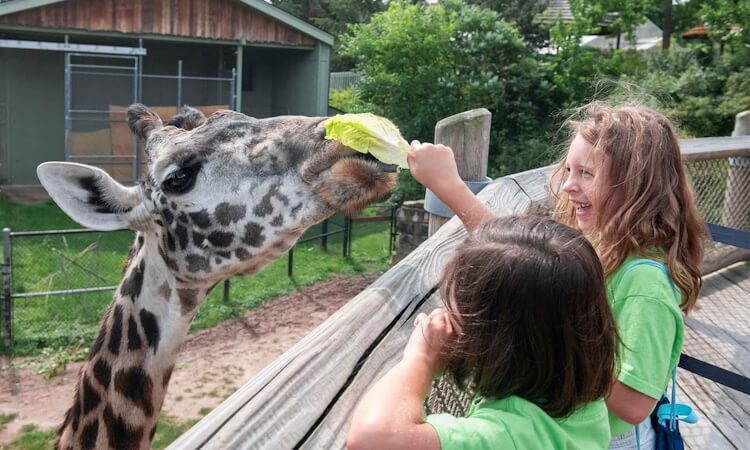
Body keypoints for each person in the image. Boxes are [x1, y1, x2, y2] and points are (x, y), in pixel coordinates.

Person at [402, 102, 705, 449]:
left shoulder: (643, 286)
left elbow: (634, 404)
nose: (568, 187)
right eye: (569, 170)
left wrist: (557, 348)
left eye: (586, 174)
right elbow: (517, 257)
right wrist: (450, 187)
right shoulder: (602, 241)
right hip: (571, 428)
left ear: (636, 185)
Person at [347, 215, 619, 450]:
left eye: (453, 311)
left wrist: (421, 358)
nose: (444, 317)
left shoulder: (507, 435)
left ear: (493, 338)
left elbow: (374, 439)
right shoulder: (583, 404)